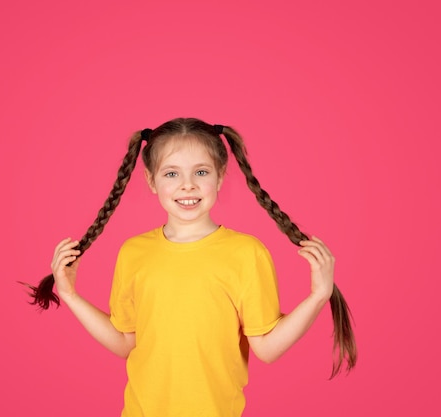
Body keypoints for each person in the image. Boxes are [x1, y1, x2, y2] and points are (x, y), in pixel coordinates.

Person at [22, 118, 356, 417]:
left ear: (220, 176)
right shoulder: (134, 252)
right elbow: (126, 342)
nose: (188, 185)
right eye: (171, 173)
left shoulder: (246, 253)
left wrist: (317, 296)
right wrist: (70, 295)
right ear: (152, 182)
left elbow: (267, 348)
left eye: (201, 172)